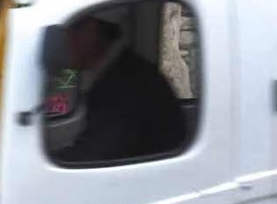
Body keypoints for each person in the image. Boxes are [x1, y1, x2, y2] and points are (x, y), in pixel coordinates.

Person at [53, 14, 186, 164]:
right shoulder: (117, 71)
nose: (65, 42)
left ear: (90, 31)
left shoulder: (127, 83)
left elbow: (97, 155)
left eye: (69, 33)